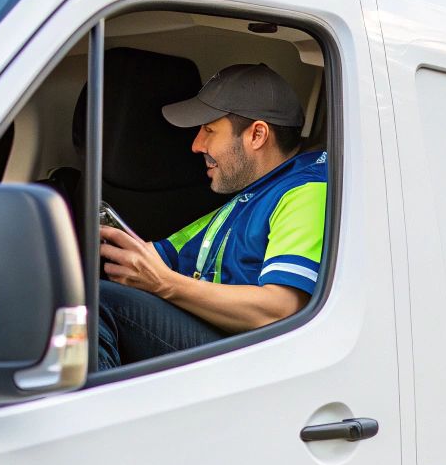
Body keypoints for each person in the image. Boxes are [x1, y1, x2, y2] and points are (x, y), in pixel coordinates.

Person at [94, 63, 327, 370]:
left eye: (208, 130)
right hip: (222, 345)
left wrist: (166, 284)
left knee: (97, 303)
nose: (196, 145)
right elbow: (162, 258)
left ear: (257, 135)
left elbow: (282, 310)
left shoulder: (306, 190)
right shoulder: (244, 202)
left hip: (259, 364)